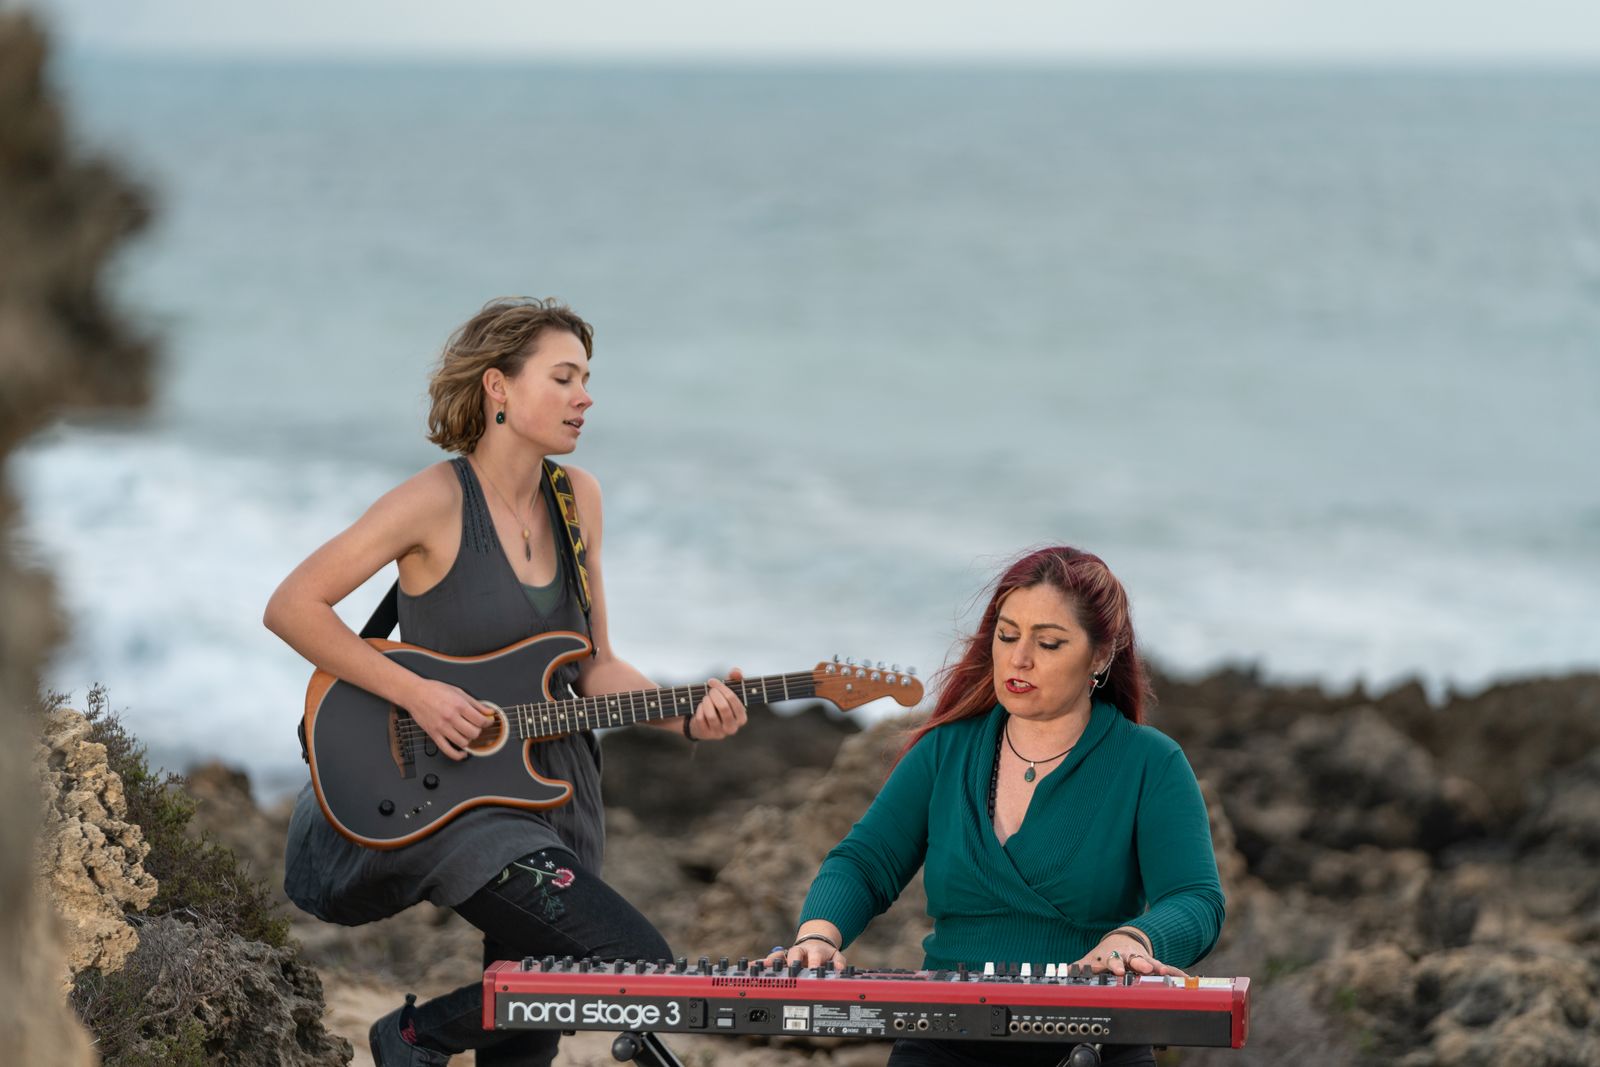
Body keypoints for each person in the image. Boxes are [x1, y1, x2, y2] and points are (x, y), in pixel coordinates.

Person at [265, 297, 749, 1067]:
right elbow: (293, 605)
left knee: (527, 1041)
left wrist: (687, 714)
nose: (584, 397)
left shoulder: (577, 498)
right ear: (498, 386)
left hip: (554, 790)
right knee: (636, 962)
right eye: (563, 377)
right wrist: (417, 693)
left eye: (586, 379)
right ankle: (415, 1035)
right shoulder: (433, 500)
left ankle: (428, 1039)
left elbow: (594, 664)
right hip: (458, 798)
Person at [770, 546, 1224, 1067]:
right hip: (941, 1039)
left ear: (1100, 656)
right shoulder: (945, 750)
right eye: (1007, 636)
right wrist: (818, 935)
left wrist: (1133, 938)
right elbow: (865, 862)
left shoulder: (1150, 763)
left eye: (1048, 643)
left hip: (1094, 1043)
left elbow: (1196, 898)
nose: (1019, 659)